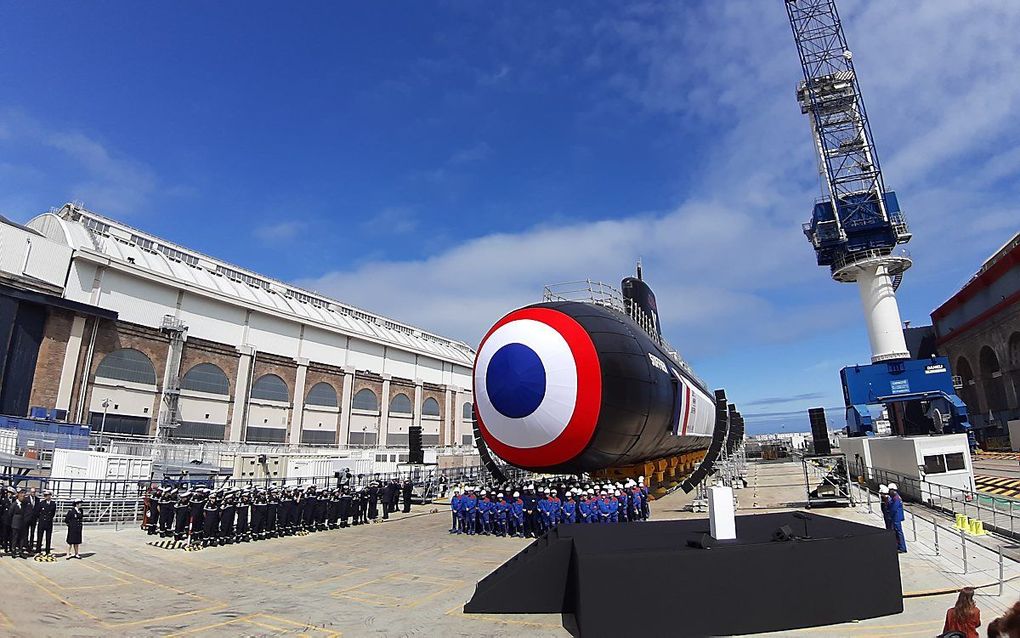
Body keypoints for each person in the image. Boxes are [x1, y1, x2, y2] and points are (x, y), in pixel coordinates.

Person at [35, 490, 57, 555]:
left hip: (49, 522)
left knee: (48, 537)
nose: (46, 497)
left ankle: (47, 551)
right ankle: (38, 550)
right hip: (42, 522)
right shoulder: (41, 503)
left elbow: (53, 513)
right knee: (39, 537)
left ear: (50, 496)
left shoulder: (53, 504)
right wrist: (41, 518)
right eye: (45, 496)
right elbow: (38, 512)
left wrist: (49, 518)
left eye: (47, 495)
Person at [10, 490, 29, 558]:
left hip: (22, 524)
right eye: (22, 496)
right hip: (15, 524)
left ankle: (21, 551)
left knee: (21, 538)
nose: (23, 498)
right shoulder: (14, 504)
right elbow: (10, 514)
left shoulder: (24, 504)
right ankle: (13, 551)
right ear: (19, 496)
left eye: (24, 496)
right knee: (15, 538)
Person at [888, 483, 906, 553]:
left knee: (899, 532)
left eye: (890, 490)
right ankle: (899, 546)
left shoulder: (896, 498)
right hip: (895, 517)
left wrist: (890, 514)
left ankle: (902, 547)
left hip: (896, 518)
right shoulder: (894, 497)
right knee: (897, 532)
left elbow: (894, 508)